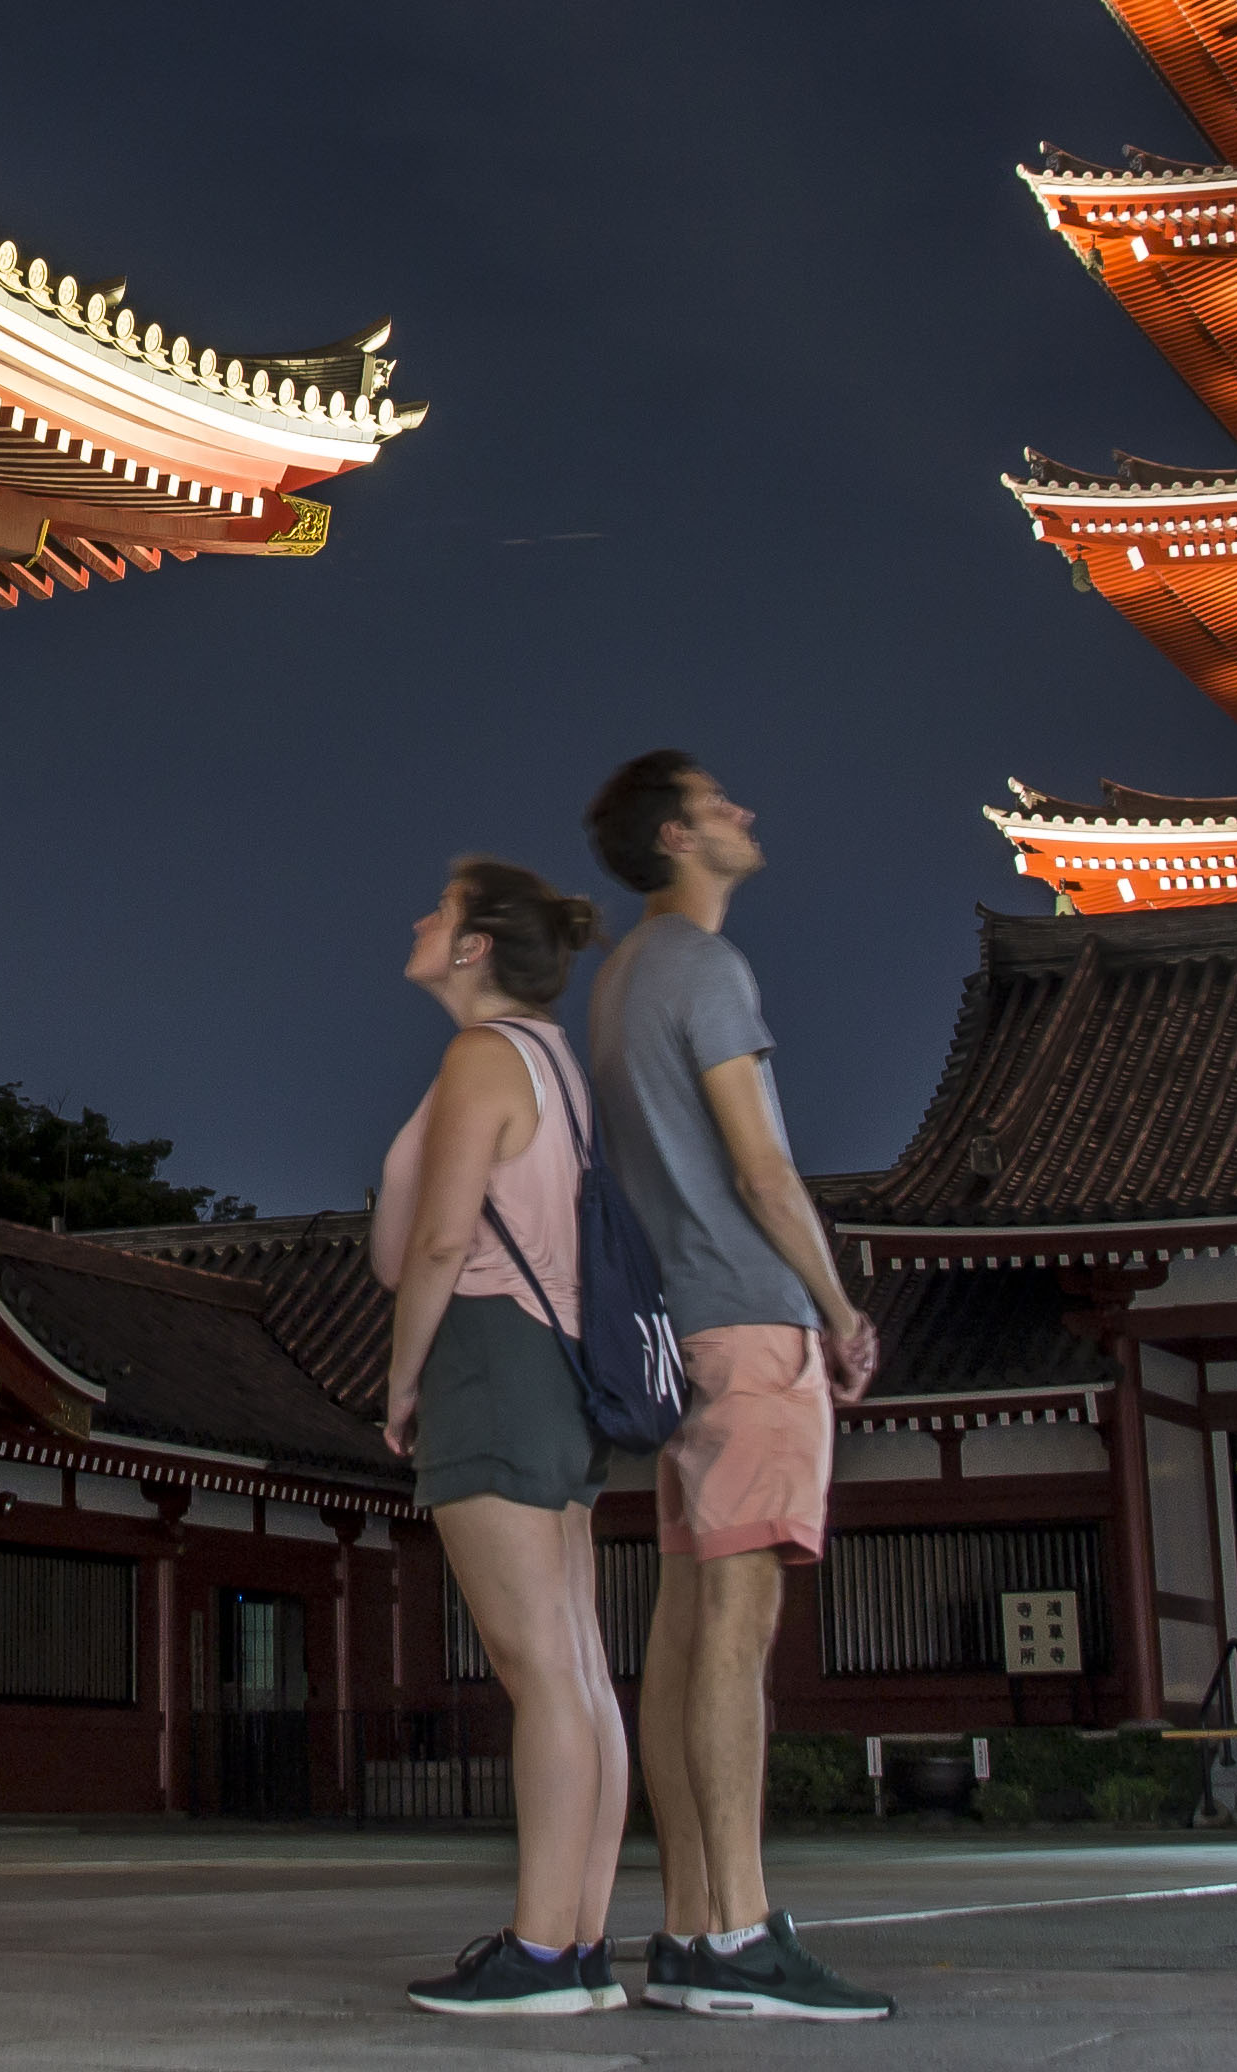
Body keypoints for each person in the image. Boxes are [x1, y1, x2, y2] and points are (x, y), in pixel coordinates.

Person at [583, 749, 894, 2025]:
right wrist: (836, 1306)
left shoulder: (618, 982)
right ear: (676, 836)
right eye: (719, 804)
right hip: (749, 1320)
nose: (743, 812)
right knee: (738, 1633)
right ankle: (741, 1931)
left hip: (675, 1332)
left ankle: (688, 1926)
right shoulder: (706, 969)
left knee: (682, 1633)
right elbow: (762, 1167)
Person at [372, 858, 634, 2016]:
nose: (420, 920)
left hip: (494, 1353)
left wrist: (400, 1378)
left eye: (438, 910)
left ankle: (538, 1952)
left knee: (539, 1671)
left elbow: (430, 1249)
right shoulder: (550, 1061)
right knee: (575, 1667)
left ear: (474, 945)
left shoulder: (482, 1059)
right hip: (566, 1374)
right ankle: (577, 1942)